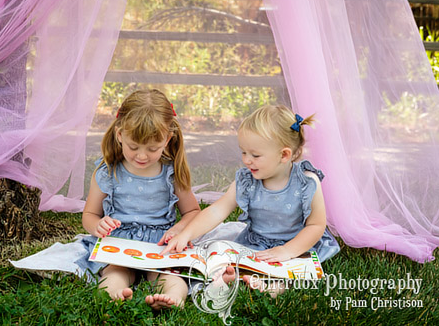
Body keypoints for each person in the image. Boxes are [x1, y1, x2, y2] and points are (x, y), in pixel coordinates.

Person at [161, 105, 340, 294]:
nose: (247, 160)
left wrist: (287, 251)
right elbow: (217, 211)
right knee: (224, 255)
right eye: (243, 152)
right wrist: (186, 234)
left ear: (284, 155)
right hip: (256, 243)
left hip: (297, 243)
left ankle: (274, 287)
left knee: (290, 272)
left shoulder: (306, 182)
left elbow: (316, 226)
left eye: (255, 155)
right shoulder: (247, 180)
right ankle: (237, 277)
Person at [82, 89, 200, 309]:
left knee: (170, 277)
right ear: (119, 135)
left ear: (167, 138)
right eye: (133, 147)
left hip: (160, 243)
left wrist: (180, 230)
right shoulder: (108, 171)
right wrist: (97, 225)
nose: (142, 156)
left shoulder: (170, 172)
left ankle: (173, 299)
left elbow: (193, 211)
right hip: (119, 242)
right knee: (114, 273)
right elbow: (89, 214)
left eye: (152, 148)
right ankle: (115, 295)